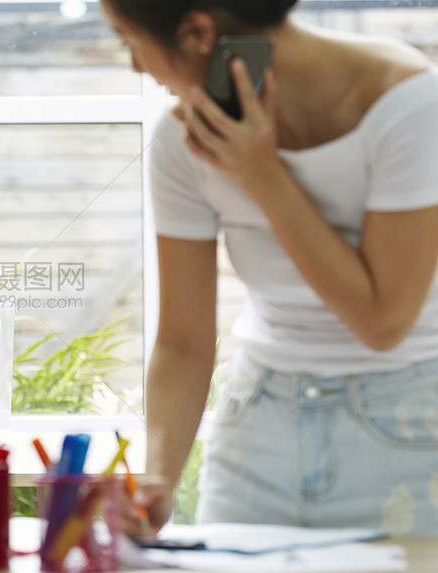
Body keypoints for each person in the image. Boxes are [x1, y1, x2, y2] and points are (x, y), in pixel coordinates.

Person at [101, 0, 438, 536]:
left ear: (197, 32)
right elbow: (184, 340)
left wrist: (264, 176)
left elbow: (383, 321)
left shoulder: (410, 102)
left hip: (408, 428)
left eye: (128, 40)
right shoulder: (182, 143)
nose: (137, 66)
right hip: (257, 433)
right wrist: (157, 477)